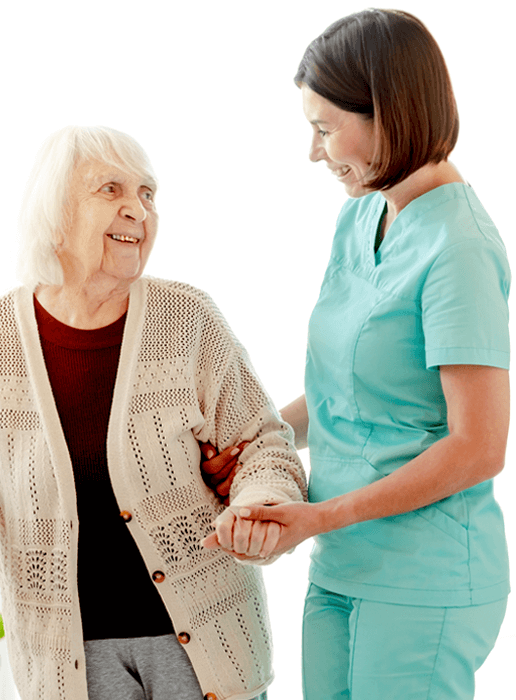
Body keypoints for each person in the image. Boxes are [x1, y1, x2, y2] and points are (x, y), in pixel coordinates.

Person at [0, 125, 307, 700]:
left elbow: (264, 445)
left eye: (148, 194)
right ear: (56, 212)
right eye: (111, 190)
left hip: (206, 642)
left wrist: (257, 505)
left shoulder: (187, 319)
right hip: (65, 657)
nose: (137, 209)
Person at [202, 9, 511, 699]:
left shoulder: (458, 248)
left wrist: (318, 516)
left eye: (323, 128)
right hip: (341, 566)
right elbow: (349, 392)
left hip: (420, 580)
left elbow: (480, 446)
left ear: (388, 113)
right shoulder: (362, 214)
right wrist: (257, 442)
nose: (314, 153)